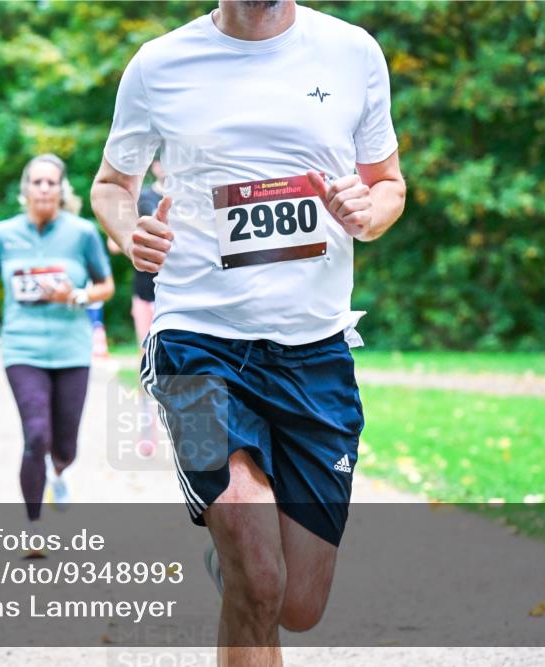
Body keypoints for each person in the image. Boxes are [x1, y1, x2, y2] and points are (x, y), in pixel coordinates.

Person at [90, 2, 406, 665]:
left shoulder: (352, 53)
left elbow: (388, 186)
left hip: (316, 352)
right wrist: (130, 232)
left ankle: (233, 561)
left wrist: (367, 212)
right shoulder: (159, 65)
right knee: (261, 576)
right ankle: (242, 557)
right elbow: (111, 185)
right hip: (195, 343)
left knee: (297, 603)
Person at [0, 153, 115, 555]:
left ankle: (60, 470)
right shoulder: (2, 234)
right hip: (22, 347)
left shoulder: (82, 233)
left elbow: (107, 285)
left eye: (52, 182)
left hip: (72, 349)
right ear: (26, 189)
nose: (45, 189)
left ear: (62, 189)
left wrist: (77, 295)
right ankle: (33, 527)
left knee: (65, 446)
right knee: (36, 434)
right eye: (38, 182)